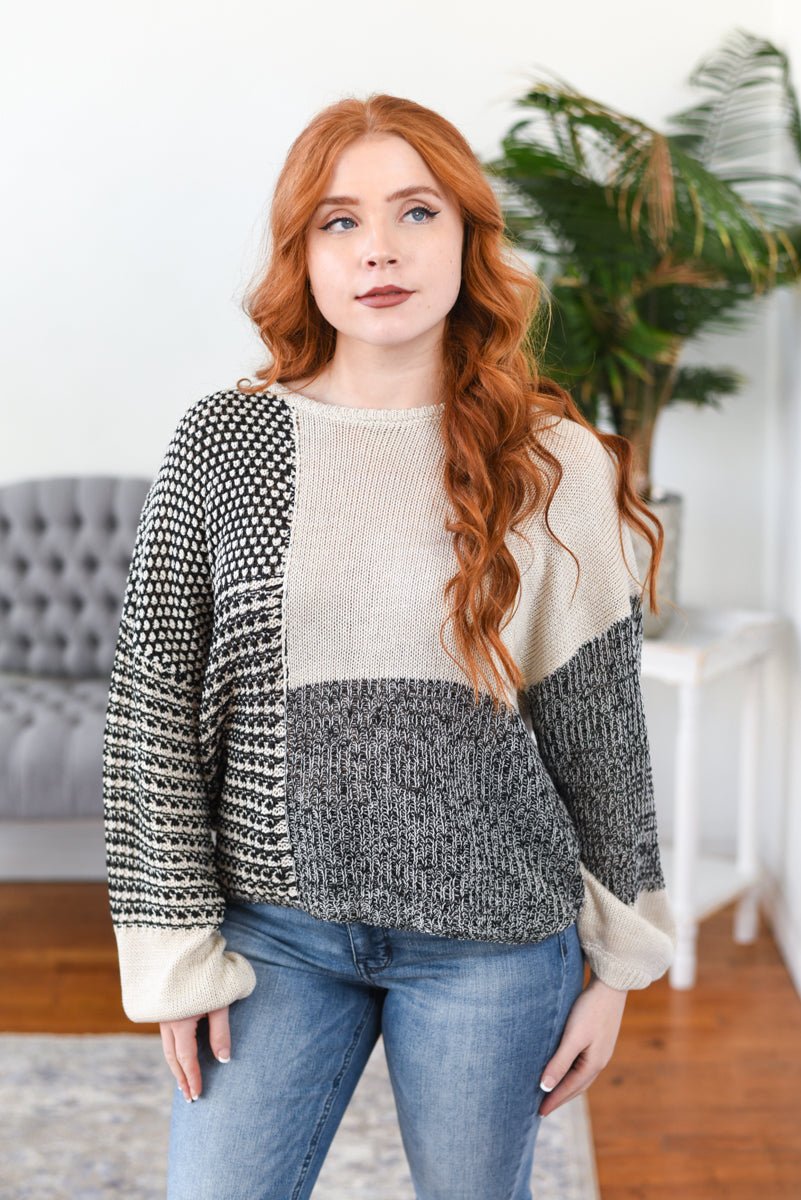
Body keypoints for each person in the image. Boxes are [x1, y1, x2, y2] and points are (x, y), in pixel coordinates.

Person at [102, 93, 675, 1200]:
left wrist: (619, 968)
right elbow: (149, 708)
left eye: (416, 212)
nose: (380, 249)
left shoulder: (552, 461)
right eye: (340, 220)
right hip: (274, 931)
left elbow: (600, 733)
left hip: (493, 942)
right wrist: (174, 954)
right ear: (303, 255)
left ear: (467, 238)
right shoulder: (225, 442)